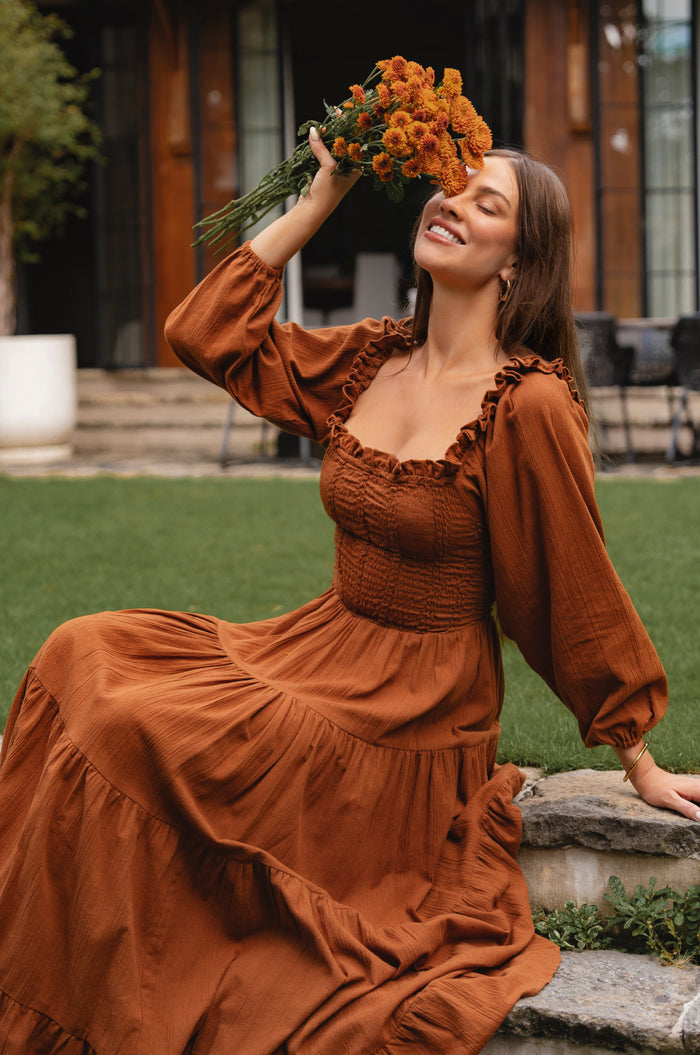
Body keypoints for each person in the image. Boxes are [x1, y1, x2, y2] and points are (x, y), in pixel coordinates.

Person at [0, 130, 698, 1055]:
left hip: (412, 708)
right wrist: (318, 201)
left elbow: (575, 588)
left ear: (519, 262)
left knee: (138, 728)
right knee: (80, 650)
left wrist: (637, 753)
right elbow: (202, 334)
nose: (452, 204)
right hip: (317, 645)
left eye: (487, 204)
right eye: (450, 190)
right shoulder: (373, 358)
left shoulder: (524, 404)